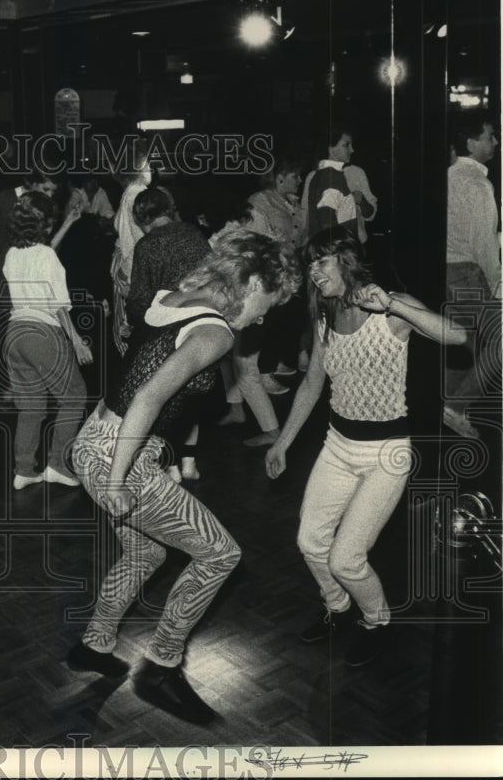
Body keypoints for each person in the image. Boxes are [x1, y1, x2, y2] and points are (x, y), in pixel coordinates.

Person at [66, 232, 301, 724]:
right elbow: (148, 397)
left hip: (94, 441)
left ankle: (94, 644)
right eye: (268, 303)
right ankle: (162, 665)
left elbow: (137, 376)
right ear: (252, 283)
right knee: (221, 554)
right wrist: (117, 480)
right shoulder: (215, 333)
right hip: (121, 457)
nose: (263, 318)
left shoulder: (173, 299)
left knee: (146, 553)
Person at [265, 228, 466, 667]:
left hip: (386, 455)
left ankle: (377, 621)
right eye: (310, 264)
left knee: (346, 558)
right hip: (338, 446)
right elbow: (312, 385)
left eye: (321, 261)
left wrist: (393, 304)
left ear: (347, 260)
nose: (313, 272)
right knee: (310, 541)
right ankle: (338, 607)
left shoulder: (389, 307)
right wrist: (282, 441)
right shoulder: (325, 317)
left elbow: (456, 336)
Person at [2, 192, 91, 490]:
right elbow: (59, 304)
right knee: (74, 396)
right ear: (45, 222)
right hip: (43, 333)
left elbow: (41, 254)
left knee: (31, 406)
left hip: (14, 334)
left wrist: (68, 223)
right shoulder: (46, 256)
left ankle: (23, 470)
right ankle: (57, 467)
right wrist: (76, 340)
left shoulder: (13, 254)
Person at [126, 186, 212, 481]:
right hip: (202, 322)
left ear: (141, 218)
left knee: (166, 397)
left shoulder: (147, 245)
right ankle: (190, 463)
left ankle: (170, 464)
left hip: (168, 327)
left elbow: (140, 299)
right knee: (193, 395)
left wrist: (133, 322)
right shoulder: (194, 233)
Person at [444, 115, 501, 440]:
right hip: (467, 273)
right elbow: (484, 243)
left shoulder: (447, 176)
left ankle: (448, 409)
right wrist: (496, 283)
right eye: (489, 136)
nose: (495, 142)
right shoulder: (478, 184)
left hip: (444, 273)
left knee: (461, 342)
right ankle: (455, 405)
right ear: (471, 143)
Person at [0, 169, 58, 285]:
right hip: (8, 271)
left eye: (53, 192)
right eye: (46, 189)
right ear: (32, 183)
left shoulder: (46, 205)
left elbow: (47, 244)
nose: (49, 195)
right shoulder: (4, 199)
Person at [109, 142, 153, 356]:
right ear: (136, 169)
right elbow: (143, 239)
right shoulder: (138, 194)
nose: (151, 169)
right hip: (131, 267)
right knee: (134, 325)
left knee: (128, 323)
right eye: (147, 165)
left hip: (125, 264)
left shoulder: (129, 193)